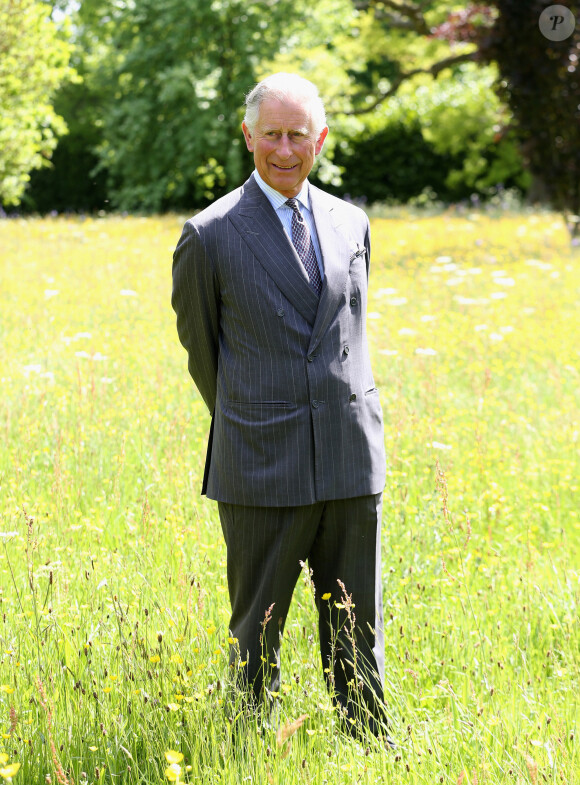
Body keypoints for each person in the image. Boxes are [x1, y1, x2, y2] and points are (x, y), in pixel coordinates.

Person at [172, 72, 392, 743]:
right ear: (249, 136)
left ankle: (367, 744)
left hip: (351, 460)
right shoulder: (208, 235)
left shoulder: (351, 222)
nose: (286, 148)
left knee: (358, 625)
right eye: (272, 134)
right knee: (256, 631)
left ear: (320, 138)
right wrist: (257, 417)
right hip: (261, 462)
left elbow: (349, 333)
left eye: (299, 134)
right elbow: (204, 355)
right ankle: (244, 749)